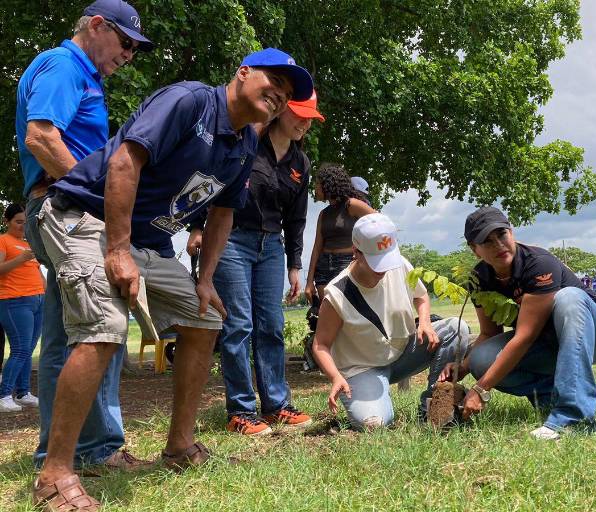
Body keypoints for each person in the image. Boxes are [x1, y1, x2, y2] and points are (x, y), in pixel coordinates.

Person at [30, 48, 312, 510]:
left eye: (288, 92)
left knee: (204, 320)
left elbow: (222, 214)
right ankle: (55, 474)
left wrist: (205, 281)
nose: (280, 93)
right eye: (273, 80)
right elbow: (124, 162)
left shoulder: (243, 146)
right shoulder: (190, 102)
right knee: (106, 329)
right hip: (82, 216)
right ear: (242, 72)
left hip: (141, 240)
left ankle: (180, 446)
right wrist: (118, 250)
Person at [16, 0, 154, 472]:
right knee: (103, 327)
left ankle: (57, 450)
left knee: (63, 339)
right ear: (96, 26)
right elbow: (40, 136)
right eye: (126, 43)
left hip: (58, 207)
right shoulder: (64, 64)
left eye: (136, 49)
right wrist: (97, 198)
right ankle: (95, 449)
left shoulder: (82, 75)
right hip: (69, 209)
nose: (129, 55)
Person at [187, 91, 325, 435]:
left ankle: (277, 405)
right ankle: (241, 411)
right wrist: (196, 227)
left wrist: (295, 265)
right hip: (231, 239)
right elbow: (211, 183)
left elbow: (297, 220)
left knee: (272, 326)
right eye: (299, 114)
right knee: (238, 326)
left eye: (310, 118)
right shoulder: (248, 142)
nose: (304, 124)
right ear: (281, 111)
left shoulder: (300, 164)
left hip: (272, 247)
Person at [439, 207, 596, 440]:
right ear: (474, 250)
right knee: (481, 359)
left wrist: (481, 389)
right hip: (551, 341)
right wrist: (463, 367)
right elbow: (488, 333)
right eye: (487, 241)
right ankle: (549, 398)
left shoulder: (538, 264)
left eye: (502, 235)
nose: (499, 244)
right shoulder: (478, 279)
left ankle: (575, 418)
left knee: (569, 298)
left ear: (512, 232)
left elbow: (524, 336)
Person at [312, 213, 469, 429]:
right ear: (356, 252)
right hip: (362, 367)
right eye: (376, 261)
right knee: (375, 424)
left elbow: (421, 296)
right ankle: (372, 397)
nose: (384, 268)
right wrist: (335, 376)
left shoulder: (400, 265)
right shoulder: (337, 294)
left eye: (387, 258)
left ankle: (433, 409)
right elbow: (320, 344)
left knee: (456, 328)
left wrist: (424, 321)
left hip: (403, 352)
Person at [304, 165, 376, 302]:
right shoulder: (323, 214)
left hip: (347, 264)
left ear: (328, 185)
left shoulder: (352, 205)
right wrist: (309, 282)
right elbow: (317, 248)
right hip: (324, 267)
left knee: (350, 313)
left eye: (318, 183)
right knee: (328, 313)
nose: (315, 188)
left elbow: (381, 223)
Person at [0, 204, 45, 413]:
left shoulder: (29, 244)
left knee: (27, 350)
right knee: (20, 349)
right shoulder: (3, 240)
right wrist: (20, 258)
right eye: (18, 222)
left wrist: (47, 296)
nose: (22, 226)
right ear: (7, 221)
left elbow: (39, 274)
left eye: (25, 223)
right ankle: (4, 394)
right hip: (14, 301)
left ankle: (23, 392)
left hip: (37, 300)